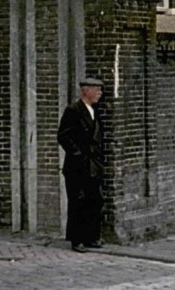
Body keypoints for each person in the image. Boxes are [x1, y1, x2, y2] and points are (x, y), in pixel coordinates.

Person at [58, 77, 105, 253]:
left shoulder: (94, 110)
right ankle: (76, 239)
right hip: (77, 166)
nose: (100, 93)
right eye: (97, 89)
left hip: (93, 165)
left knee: (94, 200)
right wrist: (77, 154)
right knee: (77, 201)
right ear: (86, 90)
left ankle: (91, 237)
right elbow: (63, 136)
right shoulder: (73, 110)